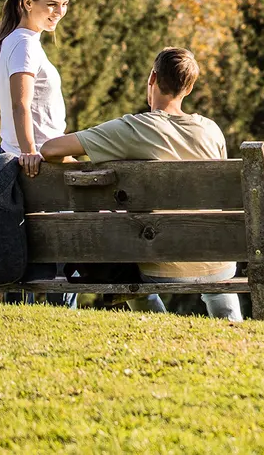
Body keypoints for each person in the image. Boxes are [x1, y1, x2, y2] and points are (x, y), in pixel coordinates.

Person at [39, 47, 242, 321]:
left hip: (159, 266)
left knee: (132, 259)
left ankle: (160, 329)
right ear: (189, 88)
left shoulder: (134, 129)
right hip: (219, 260)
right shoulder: (211, 130)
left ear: (152, 78)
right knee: (215, 272)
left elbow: (50, 149)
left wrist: (77, 164)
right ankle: (232, 328)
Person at [0, 0, 74, 305]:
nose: (59, 12)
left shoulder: (18, 41)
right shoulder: (24, 45)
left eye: (63, 4)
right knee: (56, 254)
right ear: (27, 2)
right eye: (51, 4)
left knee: (33, 259)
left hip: (18, 154)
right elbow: (21, 105)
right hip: (39, 162)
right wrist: (30, 152)